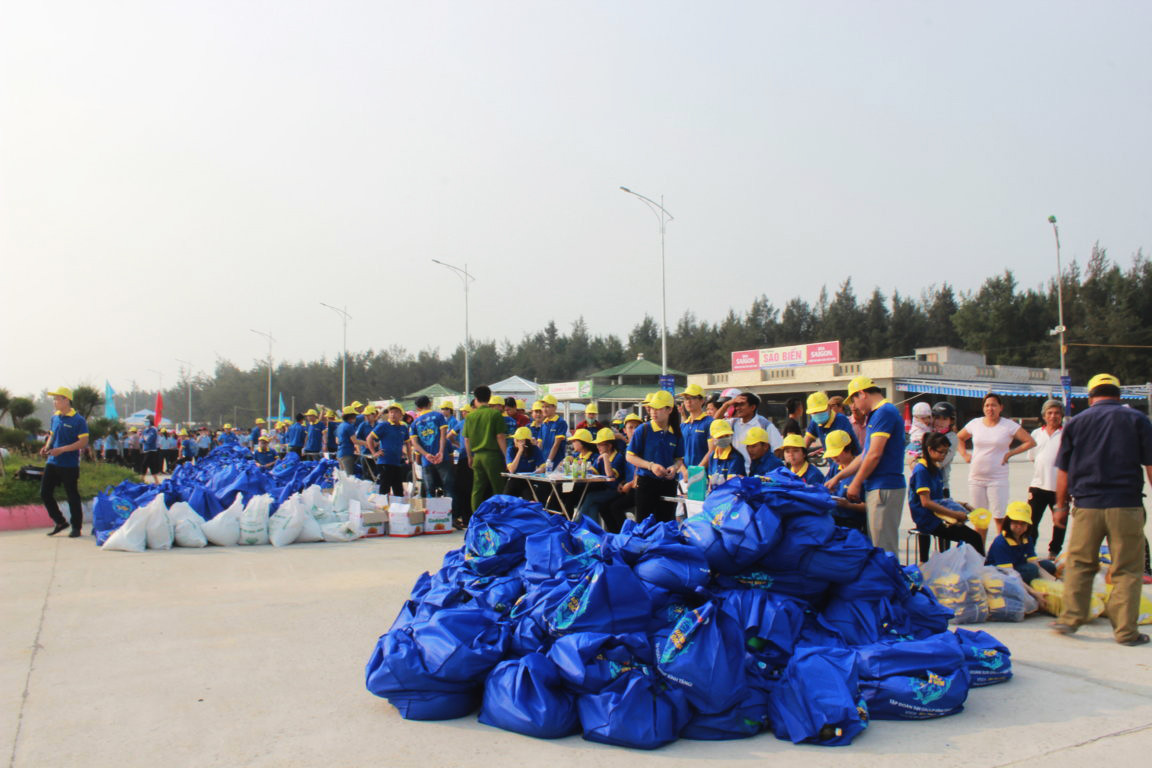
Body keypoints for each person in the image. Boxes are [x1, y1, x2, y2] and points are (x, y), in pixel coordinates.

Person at [1051, 373, 1152, 646]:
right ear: (1119, 395)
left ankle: (1071, 619)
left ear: (1090, 396)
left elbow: (1063, 471)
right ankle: (1126, 632)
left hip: (1087, 506)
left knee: (1080, 563)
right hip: (1126, 505)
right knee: (1127, 570)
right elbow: (1151, 465)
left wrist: (1060, 507)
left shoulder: (1076, 423)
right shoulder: (1138, 420)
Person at [825, 376, 907, 555]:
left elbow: (875, 454)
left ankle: (889, 582)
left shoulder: (884, 412)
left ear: (862, 394)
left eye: (854, 400)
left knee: (883, 548)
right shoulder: (876, 414)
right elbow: (865, 454)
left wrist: (856, 483)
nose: (853, 406)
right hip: (878, 487)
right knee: (877, 544)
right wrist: (839, 477)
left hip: (885, 487)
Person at [957, 393, 1036, 537]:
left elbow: (1030, 442)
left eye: (994, 405)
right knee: (980, 519)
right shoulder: (975, 423)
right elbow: (959, 438)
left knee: (1000, 518)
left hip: (998, 478)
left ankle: (1001, 551)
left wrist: (1010, 454)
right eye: (987, 405)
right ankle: (980, 554)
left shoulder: (1008, 425)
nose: (990, 408)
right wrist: (965, 454)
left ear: (1001, 407)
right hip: (976, 478)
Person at [909, 432, 987, 560]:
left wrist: (964, 505)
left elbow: (941, 500)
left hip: (938, 515)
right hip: (928, 519)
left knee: (972, 537)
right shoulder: (922, 471)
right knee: (974, 538)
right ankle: (982, 570)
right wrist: (954, 515)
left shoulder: (936, 468)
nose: (944, 456)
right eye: (941, 452)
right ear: (930, 450)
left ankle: (974, 568)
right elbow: (926, 503)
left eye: (946, 452)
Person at [625, 390, 683, 523]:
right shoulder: (643, 429)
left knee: (666, 525)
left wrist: (674, 468)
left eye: (658, 408)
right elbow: (630, 456)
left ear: (669, 410)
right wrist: (651, 466)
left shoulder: (676, 433)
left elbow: (679, 459)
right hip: (647, 483)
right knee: (645, 526)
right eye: (652, 408)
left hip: (668, 484)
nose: (653, 412)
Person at [39, 387, 89, 537]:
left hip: (69, 465)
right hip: (52, 461)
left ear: (66, 400)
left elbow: (83, 442)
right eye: (54, 399)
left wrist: (62, 450)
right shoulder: (55, 417)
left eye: (57, 399)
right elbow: (52, 436)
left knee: (72, 495)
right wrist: (46, 447)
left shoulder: (78, 420)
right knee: (44, 493)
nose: (54, 402)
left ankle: (76, 527)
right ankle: (60, 521)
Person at [1027, 399, 1066, 559]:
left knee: (1059, 523)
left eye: (1057, 413)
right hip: (1038, 486)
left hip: (1060, 488)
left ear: (1062, 415)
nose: (1053, 416)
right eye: (1049, 413)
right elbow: (1032, 457)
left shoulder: (1066, 434)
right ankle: (1030, 551)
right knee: (1031, 521)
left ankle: (1054, 552)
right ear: (1044, 416)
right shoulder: (1036, 434)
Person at [464, 385, 508, 516]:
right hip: (492, 456)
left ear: (476, 399)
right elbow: (500, 436)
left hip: (477, 455)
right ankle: (499, 515)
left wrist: (469, 457)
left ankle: (476, 516)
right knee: (498, 487)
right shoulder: (495, 414)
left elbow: (466, 439)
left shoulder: (470, 416)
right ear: (489, 398)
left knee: (477, 488)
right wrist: (507, 457)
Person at [986, 501, 1056, 581]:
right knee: (1032, 570)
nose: (1019, 526)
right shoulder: (1001, 542)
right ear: (1008, 522)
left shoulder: (1027, 538)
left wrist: (1052, 579)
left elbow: (1033, 561)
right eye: (1015, 522)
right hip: (1001, 571)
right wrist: (1033, 592)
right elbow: (1009, 572)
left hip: (1018, 566)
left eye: (1023, 523)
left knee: (1049, 566)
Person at [579, 428, 627, 529]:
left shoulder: (618, 457)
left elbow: (611, 476)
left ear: (609, 445)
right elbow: (592, 471)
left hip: (615, 490)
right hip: (605, 490)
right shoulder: (600, 457)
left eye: (600, 444)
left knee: (591, 497)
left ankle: (576, 523)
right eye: (597, 444)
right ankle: (596, 531)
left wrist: (605, 458)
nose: (598, 447)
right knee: (593, 506)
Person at [823, 430, 867, 534]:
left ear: (848, 449)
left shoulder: (862, 471)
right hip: (832, 519)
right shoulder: (835, 467)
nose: (834, 457)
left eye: (837, 453)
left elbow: (870, 507)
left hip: (853, 524)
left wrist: (849, 505)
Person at [410, 395, 453, 498]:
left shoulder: (414, 423)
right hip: (442, 458)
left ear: (417, 408)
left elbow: (415, 443)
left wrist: (426, 455)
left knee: (430, 491)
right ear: (430, 404)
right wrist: (441, 452)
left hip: (427, 461)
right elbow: (443, 436)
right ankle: (451, 513)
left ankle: (432, 513)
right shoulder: (438, 416)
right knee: (448, 488)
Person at [605, 414, 643, 529]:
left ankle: (626, 534)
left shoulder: (643, 446)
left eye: (637, 427)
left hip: (640, 489)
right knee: (605, 506)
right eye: (630, 427)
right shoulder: (626, 448)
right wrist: (622, 483)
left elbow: (640, 470)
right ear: (624, 430)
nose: (634, 430)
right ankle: (613, 536)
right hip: (628, 487)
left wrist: (630, 484)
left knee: (615, 507)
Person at [725, 392, 783, 467]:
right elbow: (713, 423)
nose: (737, 408)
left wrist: (765, 467)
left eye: (741, 405)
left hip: (758, 474)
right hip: (737, 472)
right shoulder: (733, 423)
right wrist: (726, 404)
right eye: (736, 405)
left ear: (752, 407)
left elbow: (777, 450)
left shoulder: (765, 425)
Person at [368, 403, 410, 497]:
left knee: (398, 489)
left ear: (401, 415)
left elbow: (407, 443)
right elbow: (369, 438)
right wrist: (374, 453)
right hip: (385, 461)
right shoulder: (384, 426)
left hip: (397, 462)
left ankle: (397, 509)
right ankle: (383, 508)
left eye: (395, 412)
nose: (392, 414)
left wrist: (410, 458)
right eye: (391, 412)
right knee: (384, 488)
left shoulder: (403, 428)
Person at [804, 391, 861, 455]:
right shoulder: (815, 422)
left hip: (850, 461)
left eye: (821, 411)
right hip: (833, 460)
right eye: (814, 412)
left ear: (829, 407)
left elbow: (842, 451)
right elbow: (805, 444)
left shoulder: (841, 420)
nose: (818, 414)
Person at [678, 383, 713, 473]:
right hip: (684, 477)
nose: (688, 402)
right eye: (686, 399)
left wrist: (695, 471)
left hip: (702, 475)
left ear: (702, 401)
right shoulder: (683, 426)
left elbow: (712, 451)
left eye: (692, 398)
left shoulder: (710, 422)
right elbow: (677, 454)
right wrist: (684, 471)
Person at [504, 425, 543, 501]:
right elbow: (511, 469)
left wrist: (538, 471)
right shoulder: (510, 450)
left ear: (526, 442)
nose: (515, 441)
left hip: (528, 482)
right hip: (514, 480)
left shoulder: (534, 449)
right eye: (515, 439)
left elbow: (543, 466)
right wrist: (520, 451)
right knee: (505, 502)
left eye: (519, 440)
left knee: (531, 501)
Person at [930, 402, 959, 496]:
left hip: (940, 486)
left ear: (951, 421)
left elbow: (939, 463)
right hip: (922, 484)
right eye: (937, 417)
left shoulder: (952, 438)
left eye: (944, 419)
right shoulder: (926, 433)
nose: (940, 421)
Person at [538, 394, 569, 468]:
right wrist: (538, 460)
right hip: (543, 462)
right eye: (543, 407)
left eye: (547, 407)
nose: (544, 409)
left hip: (556, 463)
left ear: (554, 407)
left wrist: (548, 462)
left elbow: (556, 444)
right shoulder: (544, 424)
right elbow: (540, 444)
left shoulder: (560, 422)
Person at [906, 401, 933, 466]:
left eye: (928, 417)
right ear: (916, 418)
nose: (926, 420)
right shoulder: (917, 427)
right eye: (923, 418)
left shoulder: (927, 425)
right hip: (917, 447)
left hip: (922, 447)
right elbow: (922, 437)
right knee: (919, 467)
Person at [335, 406, 359, 475]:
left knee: (343, 476)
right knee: (349, 476)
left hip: (340, 453)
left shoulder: (340, 426)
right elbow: (355, 441)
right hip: (347, 454)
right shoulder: (349, 426)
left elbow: (337, 441)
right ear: (351, 416)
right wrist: (367, 443)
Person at [139, 416, 162, 482]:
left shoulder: (153, 430)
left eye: (146, 422)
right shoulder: (145, 430)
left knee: (144, 464)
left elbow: (150, 440)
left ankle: (142, 479)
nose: (145, 423)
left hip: (151, 450)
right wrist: (144, 440)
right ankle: (156, 481)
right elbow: (141, 440)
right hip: (146, 450)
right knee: (151, 466)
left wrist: (144, 440)